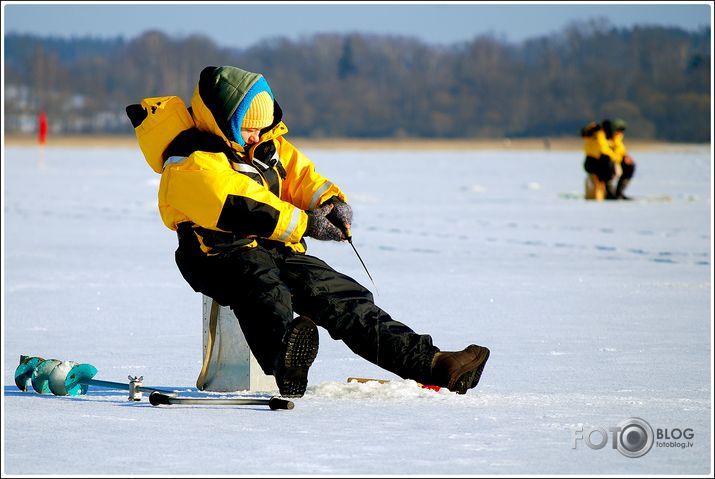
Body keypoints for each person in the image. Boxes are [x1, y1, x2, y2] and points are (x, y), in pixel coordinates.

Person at [126, 65, 490, 398]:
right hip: (217, 254)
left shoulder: (268, 145)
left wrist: (329, 203)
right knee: (264, 288)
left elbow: (301, 177)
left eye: (262, 127)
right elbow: (240, 203)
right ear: (220, 120)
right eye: (249, 127)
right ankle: (287, 362)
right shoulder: (189, 160)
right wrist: (305, 223)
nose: (256, 136)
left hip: (277, 246)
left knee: (342, 297)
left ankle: (433, 364)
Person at [581, 120, 618, 199]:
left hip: (590, 161)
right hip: (596, 162)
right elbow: (603, 149)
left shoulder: (592, 134)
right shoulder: (600, 135)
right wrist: (614, 157)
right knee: (603, 178)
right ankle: (606, 193)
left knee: (595, 180)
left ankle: (599, 194)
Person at [602, 118, 635, 200]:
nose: (619, 133)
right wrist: (613, 158)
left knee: (630, 167)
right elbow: (604, 150)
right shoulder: (603, 137)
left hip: (617, 160)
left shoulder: (619, 138)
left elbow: (621, 150)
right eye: (617, 130)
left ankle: (619, 192)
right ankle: (609, 192)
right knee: (608, 166)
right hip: (604, 162)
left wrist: (626, 156)